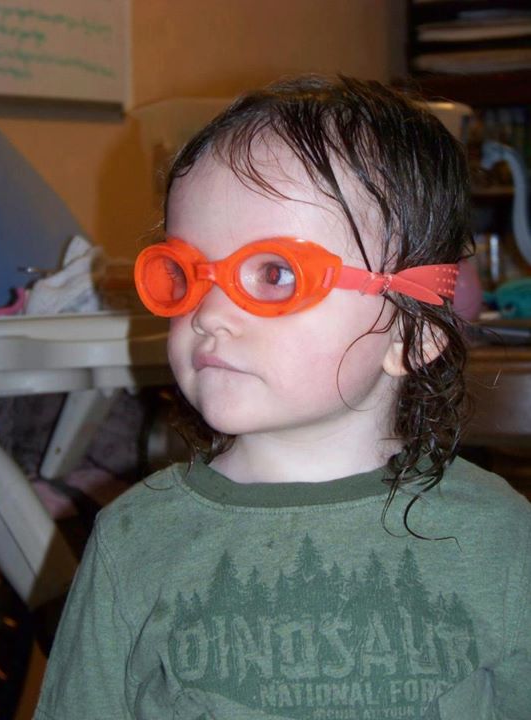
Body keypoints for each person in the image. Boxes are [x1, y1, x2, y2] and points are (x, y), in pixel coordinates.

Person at [35, 76, 531, 720]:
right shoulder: (134, 542)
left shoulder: (498, 538)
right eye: (187, 273)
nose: (209, 314)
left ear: (412, 332)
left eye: (274, 274)